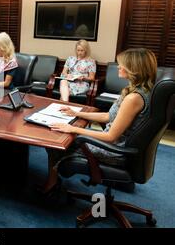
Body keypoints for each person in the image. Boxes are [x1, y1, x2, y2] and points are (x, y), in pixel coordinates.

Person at [44, 48, 158, 192]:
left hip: (115, 150)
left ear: (134, 69)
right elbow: (108, 117)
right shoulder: (138, 91)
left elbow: (110, 137)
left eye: (122, 64)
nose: (119, 66)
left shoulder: (133, 98)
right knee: (68, 134)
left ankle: (52, 184)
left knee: (57, 141)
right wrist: (76, 113)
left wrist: (73, 129)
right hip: (122, 145)